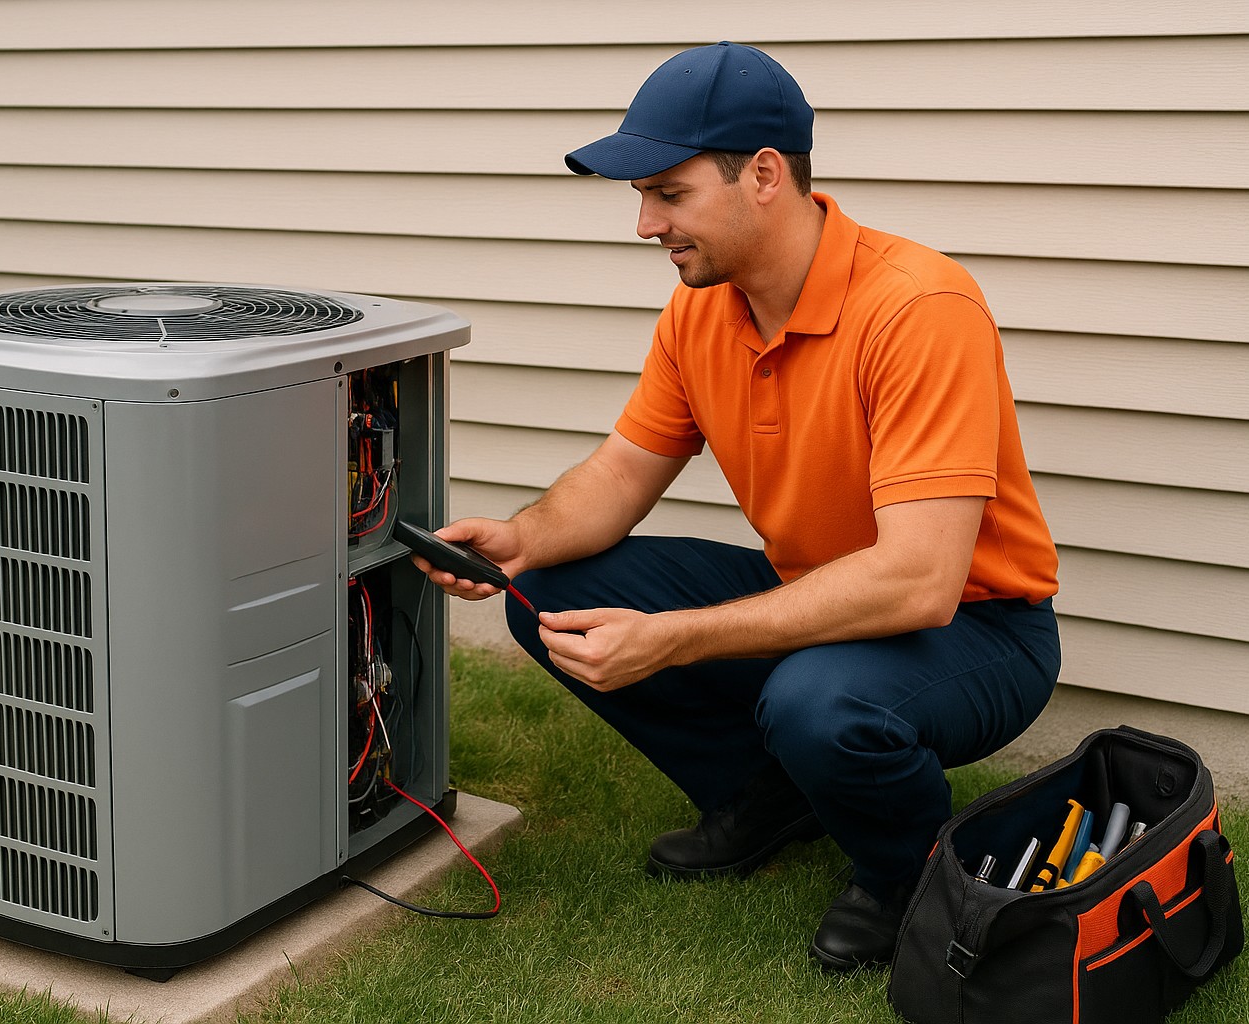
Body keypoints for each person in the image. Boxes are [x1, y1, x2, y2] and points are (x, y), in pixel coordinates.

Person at [411, 40, 1061, 970]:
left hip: (980, 626)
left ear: (763, 175)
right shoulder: (701, 310)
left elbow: (920, 583)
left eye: (668, 195)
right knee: (553, 589)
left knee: (816, 701)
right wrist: (519, 537)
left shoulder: (920, 308)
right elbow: (620, 476)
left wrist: (677, 636)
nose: (645, 225)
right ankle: (771, 795)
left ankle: (907, 876)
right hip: (821, 588)